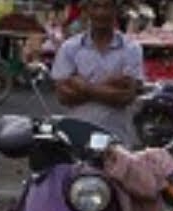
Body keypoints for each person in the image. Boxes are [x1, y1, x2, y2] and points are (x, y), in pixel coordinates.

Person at [51, 0, 145, 146]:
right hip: (77, 136)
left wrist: (84, 87)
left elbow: (126, 96)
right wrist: (109, 88)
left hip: (117, 138)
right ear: (87, 10)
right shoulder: (70, 47)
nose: (101, 13)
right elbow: (63, 96)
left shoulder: (131, 49)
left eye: (107, 6)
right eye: (96, 6)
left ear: (116, 11)